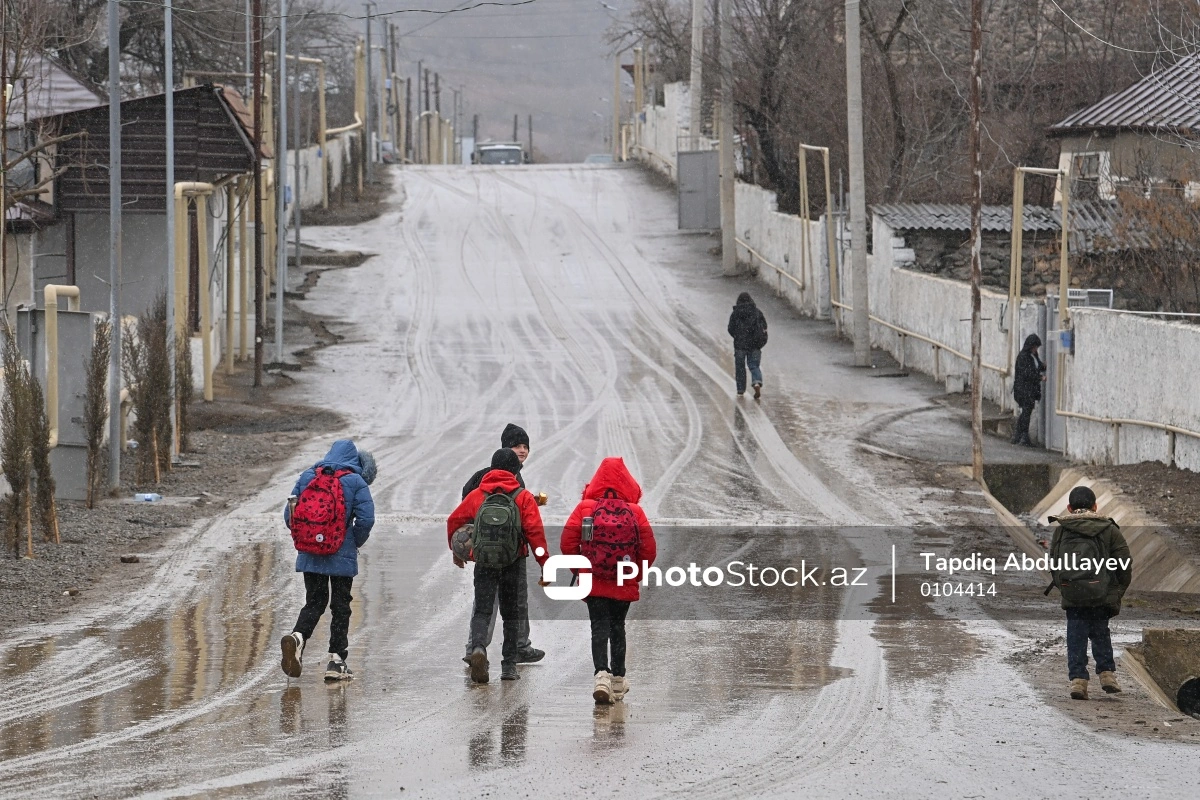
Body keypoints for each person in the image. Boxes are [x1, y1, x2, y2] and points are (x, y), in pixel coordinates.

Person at [447, 448, 549, 683]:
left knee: (483, 609)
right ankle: (509, 666)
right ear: (515, 470)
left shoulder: (477, 495)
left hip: (484, 562)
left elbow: (455, 520)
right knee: (511, 614)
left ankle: (479, 648)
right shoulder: (523, 497)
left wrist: (457, 552)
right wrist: (545, 563)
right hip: (513, 561)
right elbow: (536, 534)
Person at [560, 458, 657, 705]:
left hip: (594, 581)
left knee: (598, 627)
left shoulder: (585, 508)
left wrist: (583, 570)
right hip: (623, 581)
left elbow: (567, 543)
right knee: (618, 628)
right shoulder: (635, 512)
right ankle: (617, 679)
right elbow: (649, 550)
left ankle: (600, 675)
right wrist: (633, 574)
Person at [280, 439, 376, 681]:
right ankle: (336, 661)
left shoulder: (308, 476)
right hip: (341, 554)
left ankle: (297, 637)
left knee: (314, 602)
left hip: (310, 552)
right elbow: (366, 520)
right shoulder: (356, 481)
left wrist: (307, 539)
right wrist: (353, 541)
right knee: (340, 606)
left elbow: (289, 515)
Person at [1047, 485, 1132, 700]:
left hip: (1073, 594)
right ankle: (1106, 674)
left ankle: (1078, 680)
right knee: (1100, 632)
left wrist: (1065, 587)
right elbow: (1124, 565)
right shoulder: (1109, 530)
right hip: (1101, 593)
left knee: (1076, 634)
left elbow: (1054, 564)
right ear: (1095, 506)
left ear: (1068, 507)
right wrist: (1115, 591)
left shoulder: (1061, 530)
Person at [727, 292, 768, 399]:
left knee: (740, 367)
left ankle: (740, 390)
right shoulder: (757, 312)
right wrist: (761, 341)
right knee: (754, 366)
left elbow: (730, 329)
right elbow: (764, 327)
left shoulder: (735, 314)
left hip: (740, 345)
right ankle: (757, 382)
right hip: (755, 344)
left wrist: (737, 336)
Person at [1012, 333, 1047, 446]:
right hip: (1023, 390)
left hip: (1029, 390)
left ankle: (1018, 435)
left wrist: (1043, 366)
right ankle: (1023, 436)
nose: (1036, 349)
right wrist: (1040, 377)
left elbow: (1037, 366)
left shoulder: (1033, 355)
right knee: (1026, 412)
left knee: (1026, 412)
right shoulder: (1023, 357)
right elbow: (1027, 373)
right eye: (1035, 347)